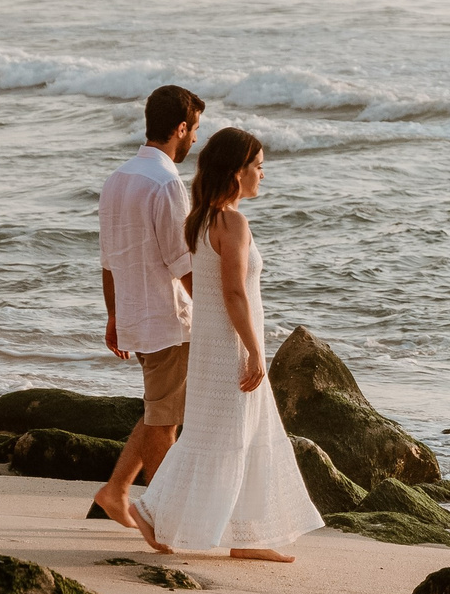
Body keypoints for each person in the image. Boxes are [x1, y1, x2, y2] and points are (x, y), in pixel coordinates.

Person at [130, 126, 321, 560]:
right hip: (230, 346)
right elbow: (233, 292)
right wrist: (254, 350)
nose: (262, 175)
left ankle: (248, 537)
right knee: (227, 437)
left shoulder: (202, 219)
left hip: (214, 342)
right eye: (258, 166)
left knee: (236, 435)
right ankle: (150, 510)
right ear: (237, 172)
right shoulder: (232, 221)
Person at [90, 84, 205, 528]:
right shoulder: (167, 183)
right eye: (195, 130)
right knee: (164, 422)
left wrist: (114, 315)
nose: (195, 139)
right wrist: (215, 313)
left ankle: (116, 491)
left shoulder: (117, 179)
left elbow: (109, 258)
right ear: (181, 128)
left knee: (158, 409)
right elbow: (182, 263)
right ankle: (162, 515)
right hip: (166, 319)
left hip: (138, 315)